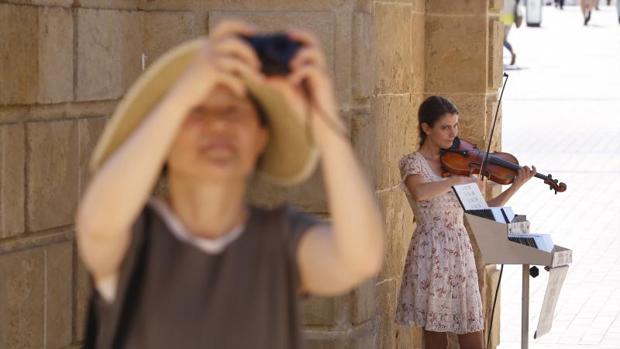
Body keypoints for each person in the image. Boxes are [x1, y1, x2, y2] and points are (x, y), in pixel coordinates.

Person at [76, 20, 385, 349]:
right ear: (163, 136)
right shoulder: (137, 238)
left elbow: (360, 259)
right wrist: (180, 96)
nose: (219, 123)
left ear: (260, 139)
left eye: (235, 111)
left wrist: (325, 125)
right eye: (197, 111)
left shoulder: (280, 241)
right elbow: (95, 225)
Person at [394, 96, 535, 349]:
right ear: (426, 128)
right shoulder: (412, 162)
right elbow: (420, 192)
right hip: (431, 250)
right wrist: (454, 182)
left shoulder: (460, 167)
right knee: (435, 337)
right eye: (445, 127)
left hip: (460, 250)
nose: (453, 134)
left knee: (472, 330)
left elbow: (484, 210)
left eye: (456, 126)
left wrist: (515, 186)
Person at [500, 0, 521, 66]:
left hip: (502, 21)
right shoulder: (514, 1)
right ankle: (511, 53)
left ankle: (511, 53)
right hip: (509, 21)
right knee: (503, 40)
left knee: (501, 40)